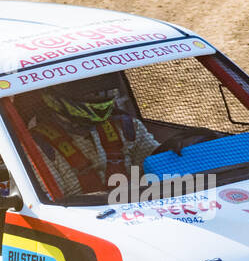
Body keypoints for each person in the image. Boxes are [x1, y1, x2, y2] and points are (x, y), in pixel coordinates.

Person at [28, 77, 160, 197]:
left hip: (140, 205)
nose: (98, 95)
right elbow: (52, 206)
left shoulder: (127, 127)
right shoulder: (37, 146)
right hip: (83, 217)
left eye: (101, 91)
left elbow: (161, 165)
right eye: (90, 92)